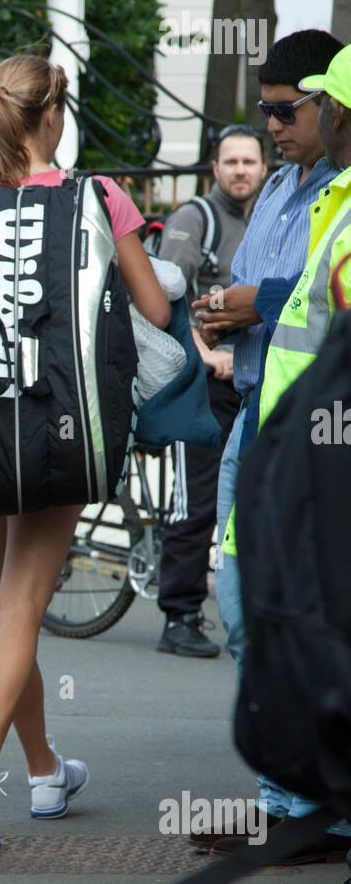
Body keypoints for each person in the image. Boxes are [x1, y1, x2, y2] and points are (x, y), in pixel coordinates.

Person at [0, 55, 170, 852]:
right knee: (22, 617)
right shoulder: (95, 195)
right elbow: (156, 306)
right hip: (59, 426)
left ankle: (43, 771)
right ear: (53, 115)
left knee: (8, 617)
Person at [193, 31, 351, 862]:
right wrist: (223, 309)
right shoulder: (284, 186)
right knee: (244, 605)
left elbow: (324, 300)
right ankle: (290, 804)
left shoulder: (341, 189)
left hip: (313, 443)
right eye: (265, 111)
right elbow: (257, 287)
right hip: (257, 424)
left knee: (299, 620)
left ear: (329, 105)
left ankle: (319, 812)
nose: (273, 127)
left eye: (287, 111)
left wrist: (258, 300)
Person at [155, 127, 267, 658]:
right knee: (194, 504)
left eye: (249, 161)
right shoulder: (193, 218)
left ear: (263, 167)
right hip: (195, 385)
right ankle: (178, 615)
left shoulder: (270, 216)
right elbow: (162, 308)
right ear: (214, 168)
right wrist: (208, 358)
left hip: (247, 384)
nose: (241, 170)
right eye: (231, 161)